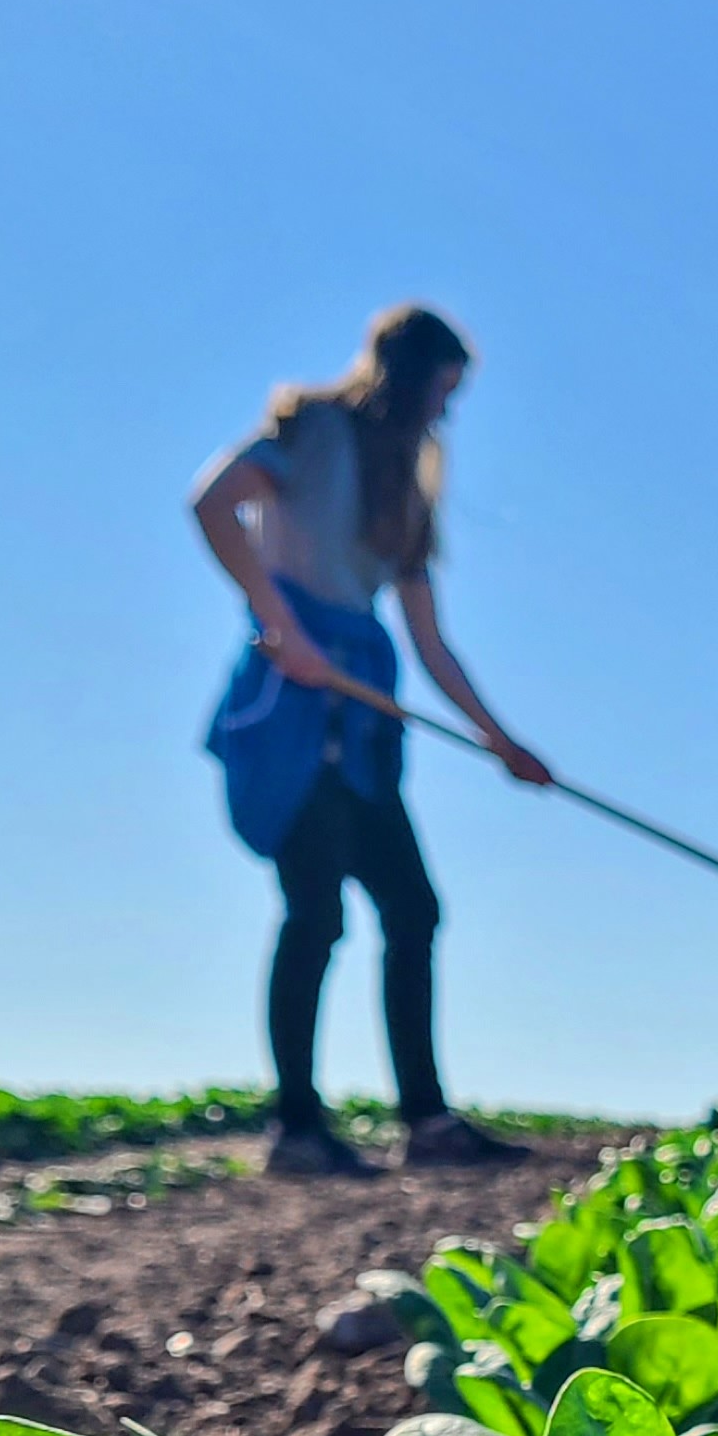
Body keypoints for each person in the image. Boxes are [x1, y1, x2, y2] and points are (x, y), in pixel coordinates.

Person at [192, 303, 550, 1173]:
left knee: (412, 907)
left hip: (363, 722)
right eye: (441, 390)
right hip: (292, 708)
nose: (444, 412)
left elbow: (431, 641)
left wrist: (500, 741)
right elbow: (213, 504)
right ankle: (297, 1129)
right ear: (406, 373)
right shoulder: (309, 428)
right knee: (315, 910)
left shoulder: (408, 493)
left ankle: (427, 1122)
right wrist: (280, 626)